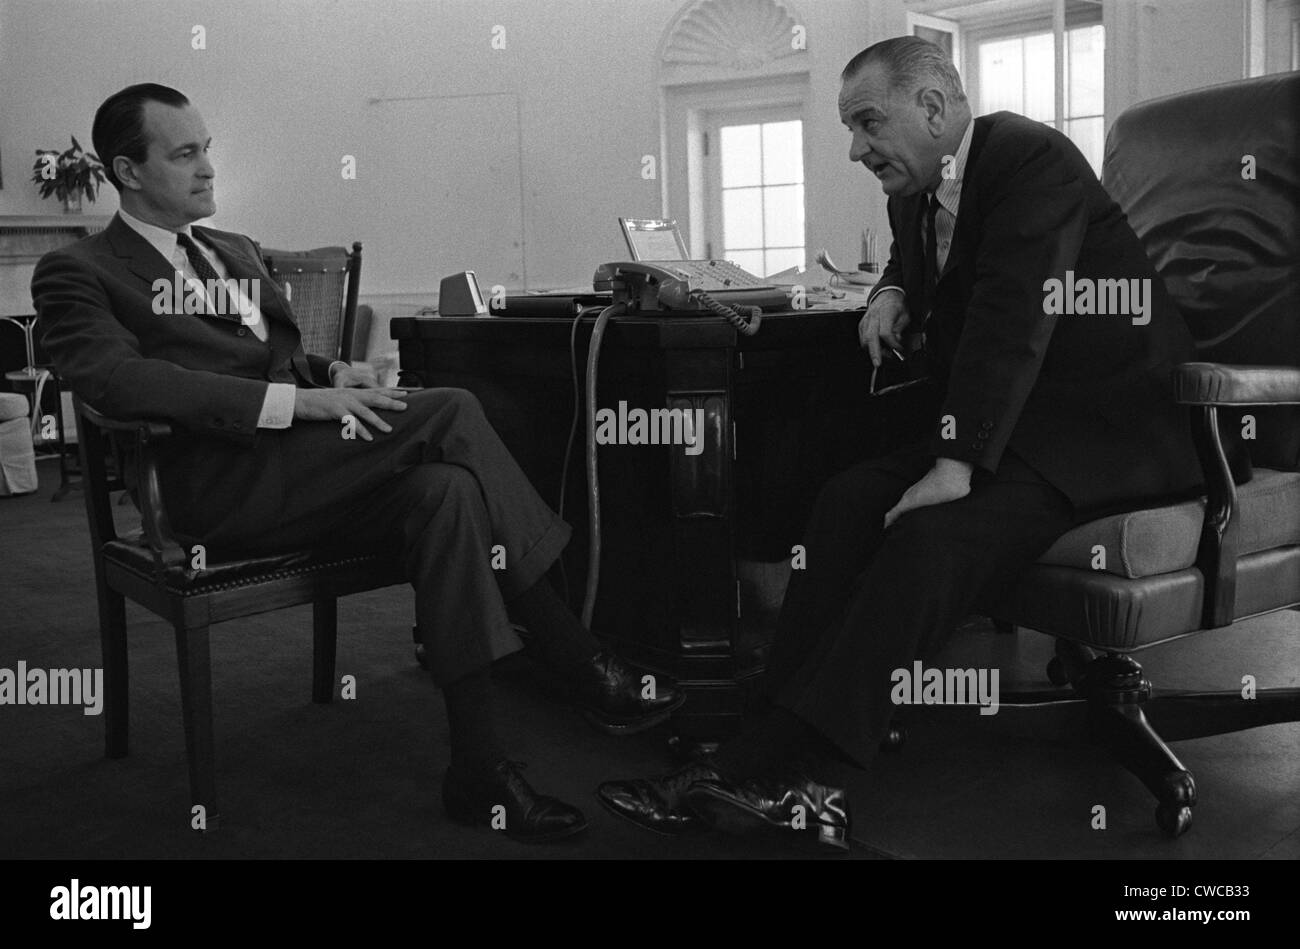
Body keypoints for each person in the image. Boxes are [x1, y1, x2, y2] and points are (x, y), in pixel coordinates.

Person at [33, 82, 683, 844]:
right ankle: (579, 656)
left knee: (445, 495)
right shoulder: (79, 270)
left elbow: (274, 358)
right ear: (128, 171)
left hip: (304, 473)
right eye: (185, 154)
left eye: (207, 148)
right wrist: (292, 406)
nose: (208, 167)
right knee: (452, 409)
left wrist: (330, 376)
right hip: (216, 493)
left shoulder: (231, 249)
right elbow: (113, 379)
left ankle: (479, 769)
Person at [598, 36, 1203, 851]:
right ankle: (757, 739)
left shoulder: (1031, 159)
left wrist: (955, 462)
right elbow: (918, 264)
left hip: (1105, 429)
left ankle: (790, 773)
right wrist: (889, 289)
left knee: (930, 537)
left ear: (931, 107)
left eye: (868, 123)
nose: (855, 149)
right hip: (1024, 426)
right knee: (845, 500)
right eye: (850, 128)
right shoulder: (915, 193)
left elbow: (1012, 315)